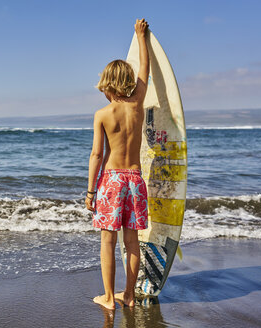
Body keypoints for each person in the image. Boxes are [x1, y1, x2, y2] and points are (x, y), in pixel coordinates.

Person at [85, 18, 150, 310]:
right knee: (132, 241)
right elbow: (145, 71)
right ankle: (130, 295)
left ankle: (109, 298)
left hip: (111, 181)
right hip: (135, 179)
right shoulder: (137, 105)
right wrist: (141, 38)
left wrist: (90, 192)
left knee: (107, 241)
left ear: (107, 84)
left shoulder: (102, 114)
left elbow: (97, 156)